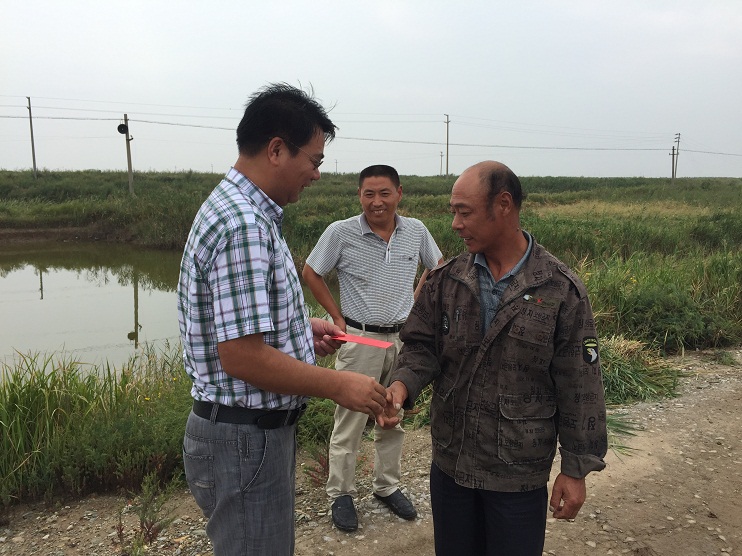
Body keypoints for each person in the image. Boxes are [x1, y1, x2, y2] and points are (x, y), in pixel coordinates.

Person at [177, 83, 391, 556]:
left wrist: (299, 332)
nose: (316, 174)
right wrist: (339, 385)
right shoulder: (244, 224)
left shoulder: (239, 210)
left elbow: (231, 330)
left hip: (242, 436)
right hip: (244, 441)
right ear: (276, 150)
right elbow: (241, 357)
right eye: (314, 160)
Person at [384, 161, 608, 556]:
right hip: (452, 464)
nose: (455, 224)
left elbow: (580, 383)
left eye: (464, 212)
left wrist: (575, 470)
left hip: (517, 474)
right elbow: (421, 347)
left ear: (503, 204)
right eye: (453, 211)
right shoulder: (446, 280)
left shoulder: (559, 289)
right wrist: (401, 387)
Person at [302, 164, 444, 532]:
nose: (376, 202)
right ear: (359, 196)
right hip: (360, 337)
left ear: (399, 193)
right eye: (369, 194)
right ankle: (341, 493)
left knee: (394, 414)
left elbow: (438, 266)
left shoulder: (416, 231)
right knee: (350, 419)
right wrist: (336, 316)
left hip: (403, 338)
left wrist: (416, 301)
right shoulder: (341, 232)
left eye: (384, 193)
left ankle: (387, 486)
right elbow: (311, 272)